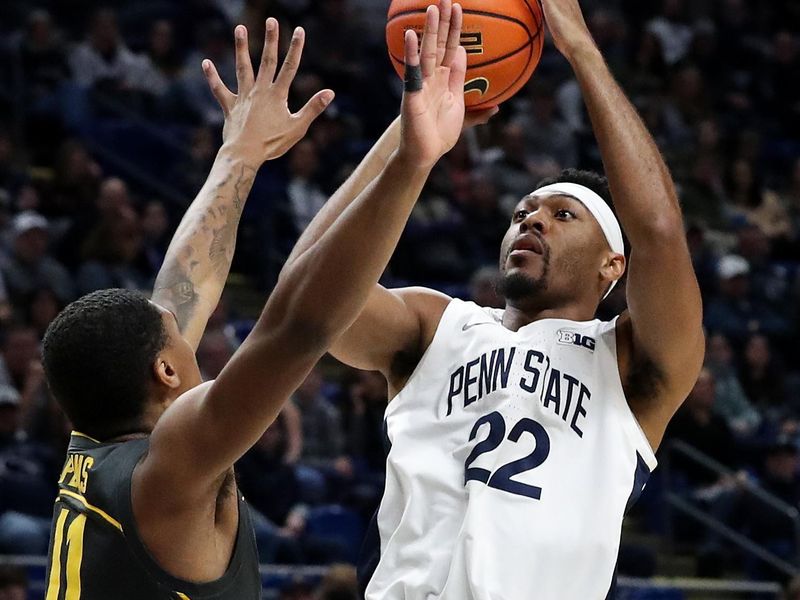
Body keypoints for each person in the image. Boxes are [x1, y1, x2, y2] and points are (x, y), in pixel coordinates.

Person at [42, 9, 471, 599]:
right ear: (164, 370)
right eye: (177, 334)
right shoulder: (170, 469)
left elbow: (181, 286)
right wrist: (412, 163)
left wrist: (239, 155)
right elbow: (300, 326)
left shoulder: (94, 452)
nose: (186, 320)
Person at [295, 0, 704, 597]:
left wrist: (582, 51)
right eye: (522, 212)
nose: (532, 221)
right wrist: (409, 138)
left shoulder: (631, 366)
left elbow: (661, 233)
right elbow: (305, 296)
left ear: (612, 265)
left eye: (562, 215)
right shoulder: (435, 326)